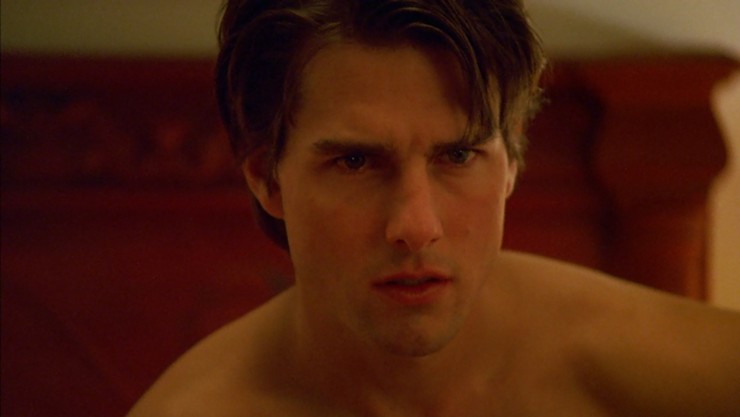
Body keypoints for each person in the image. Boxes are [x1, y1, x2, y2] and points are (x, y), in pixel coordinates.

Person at [128, 1, 740, 416]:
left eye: (459, 155)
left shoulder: (646, 367)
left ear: (512, 161)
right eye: (356, 162)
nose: (417, 227)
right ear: (267, 178)